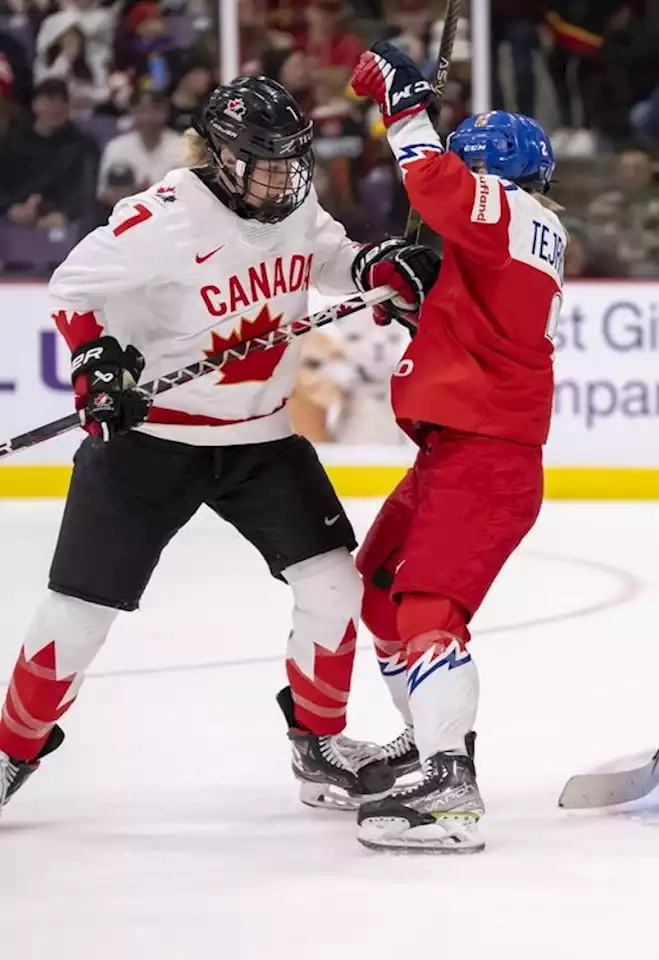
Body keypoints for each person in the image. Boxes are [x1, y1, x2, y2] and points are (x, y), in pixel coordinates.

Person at [0, 76, 443, 820]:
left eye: (290, 160)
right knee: (76, 616)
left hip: (261, 441)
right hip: (150, 444)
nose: (282, 177)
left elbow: (330, 257)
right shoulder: (163, 218)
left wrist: (378, 267)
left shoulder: (295, 205)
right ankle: (13, 750)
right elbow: (72, 287)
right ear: (218, 156)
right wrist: (97, 365)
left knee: (335, 585)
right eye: (263, 161)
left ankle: (317, 744)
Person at [346, 42, 565, 854]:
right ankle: (427, 737)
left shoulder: (508, 211)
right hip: (457, 451)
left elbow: (435, 185)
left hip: (486, 456)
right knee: (377, 587)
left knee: (432, 611)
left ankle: (449, 786)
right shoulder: (510, 234)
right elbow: (469, 310)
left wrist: (404, 107)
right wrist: (417, 293)